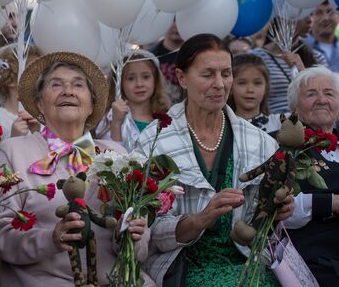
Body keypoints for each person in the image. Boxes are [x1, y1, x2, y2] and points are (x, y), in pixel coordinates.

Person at [0, 51, 154, 287]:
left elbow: (141, 248)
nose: (68, 91)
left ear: (92, 106)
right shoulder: (14, 151)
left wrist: (130, 235)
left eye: (78, 85)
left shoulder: (117, 155)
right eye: (56, 84)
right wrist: (50, 239)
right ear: (39, 104)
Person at [137, 34, 294, 287]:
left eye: (226, 73)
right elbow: (149, 233)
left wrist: (278, 211)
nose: (220, 84)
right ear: (181, 78)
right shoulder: (155, 142)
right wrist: (200, 219)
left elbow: (264, 226)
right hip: (181, 265)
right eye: (208, 74)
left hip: (249, 263)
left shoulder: (260, 142)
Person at [283, 66, 339, 287]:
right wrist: (330, 203)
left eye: (329, 93)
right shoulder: (284, 146)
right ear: (295, 106)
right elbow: (276, 212)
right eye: (311, 94)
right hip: (313, 258)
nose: (321, 100)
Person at [250, 15, 327, 114]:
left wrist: (302, 71)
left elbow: (326, 94)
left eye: (312, 14)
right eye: (303, 14)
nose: (309, 20)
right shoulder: (255, 58)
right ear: (283, 18)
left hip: (309, 123)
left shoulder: (317, 57)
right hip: (272, 125)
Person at [95, 49, 169, 151]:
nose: (139, 84)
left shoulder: (166, 115)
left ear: (155, 79)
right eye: (131, 78)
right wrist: (116, 123)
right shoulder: (110, 118)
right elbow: (110, 158)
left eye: (146, 77)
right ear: (119, 83)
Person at [228, 54, 284, 133]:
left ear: (266, 87)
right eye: (242, 83)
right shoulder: (222, 128)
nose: (250, 90)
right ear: (230, 88)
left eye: (257, 83)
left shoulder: (279, 124)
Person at [148, 21, 184, 105]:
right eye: (172, 20)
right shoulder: (149, 57)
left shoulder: (195, 56)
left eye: (179, 20)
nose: (176, 26)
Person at [304, 0, 339, 72]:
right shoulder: (300, 47)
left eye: (330, 12)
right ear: (310, 17)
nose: (326, 18)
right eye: (319, 13)